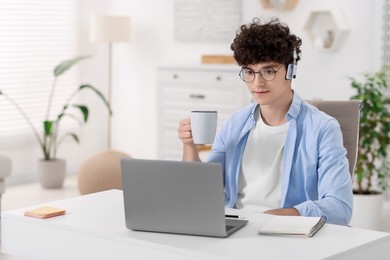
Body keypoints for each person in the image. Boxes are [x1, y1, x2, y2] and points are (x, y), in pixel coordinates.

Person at [178, 17, 353, 225]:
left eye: (268, 71)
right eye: (249, 72)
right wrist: (190, 147)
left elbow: (340, 208)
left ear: (291, 70)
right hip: (233, 228)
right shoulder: (236, 123)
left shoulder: (323, 128)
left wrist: (268, 219)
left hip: (286, 233)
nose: (257, 83)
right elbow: (203, 192)